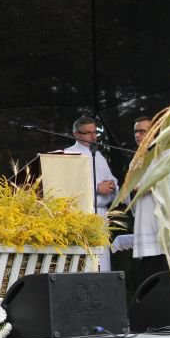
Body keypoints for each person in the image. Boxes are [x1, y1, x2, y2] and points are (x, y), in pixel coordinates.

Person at [128, 116, 170, 294]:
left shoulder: (167, 153)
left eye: (142, 131)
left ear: (154, 132)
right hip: (145, 222)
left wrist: (148, 186)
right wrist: (132, 192)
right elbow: (131, 193)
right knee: (149, 277)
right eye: (136, 131)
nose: (138, 135)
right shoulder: (135, 160)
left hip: (165, 223)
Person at [64, 114, 119, 271]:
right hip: (82, 214)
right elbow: (68, 187)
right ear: (76, 134)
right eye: (88, 133)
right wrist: (96, 188)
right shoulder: (69, 155)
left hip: (101, 215)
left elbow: (111, 180)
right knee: (85, 263)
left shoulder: (99, 155)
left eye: (95, 132)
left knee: (103, 261)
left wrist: (112, 185)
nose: (93, 137)